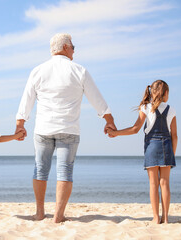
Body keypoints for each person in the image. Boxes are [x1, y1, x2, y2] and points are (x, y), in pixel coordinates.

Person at [15, 33, 116, 223]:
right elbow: (96, 98)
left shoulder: (38, 70)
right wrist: (108, 119)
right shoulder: (79, 70)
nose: (74, 50)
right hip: (69, 129)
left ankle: (39, 213)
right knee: (64, 171)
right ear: (65, 47)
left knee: (40, 170)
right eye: (73, 47)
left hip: (43, 128)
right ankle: (58, 216)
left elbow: (26, 99)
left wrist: (20, 124)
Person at [107, 80, 178, 224]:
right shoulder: (171, 109)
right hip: (166, 147)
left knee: (153, 183)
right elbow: (174, 136)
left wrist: (116, 133)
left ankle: (156, 218)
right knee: (165, 183)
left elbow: (135, 129)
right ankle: (165, 218)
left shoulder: (146, 107)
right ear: (165, 93)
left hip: (151, 147)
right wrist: (172, 154)